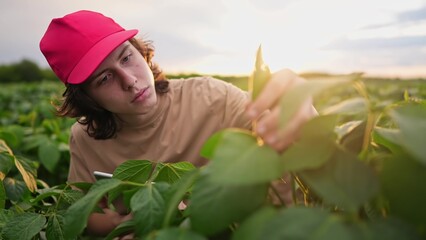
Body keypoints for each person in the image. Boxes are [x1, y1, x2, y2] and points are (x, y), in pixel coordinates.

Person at [40, 10, 316, 237]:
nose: (130, 80)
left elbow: (290, 132)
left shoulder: (212, 97)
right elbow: (83, 210)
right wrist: (124, 223)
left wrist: (297, 107)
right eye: (104, 78)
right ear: (88, 99)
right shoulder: (84, 138)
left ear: (140, 52)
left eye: (126, 57)